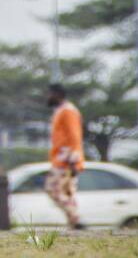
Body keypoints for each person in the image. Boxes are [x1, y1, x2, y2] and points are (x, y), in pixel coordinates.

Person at [45, 83, 85, 229]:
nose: (48, 97)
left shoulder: (68, 111)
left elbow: (74, 137)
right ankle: (74, 223)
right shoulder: (61, 111)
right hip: (63, 159)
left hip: (66, 160)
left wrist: (73, 160)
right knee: (67, 192)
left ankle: (76, 219)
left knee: (53, 189)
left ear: (58, 94)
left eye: (50, 94)